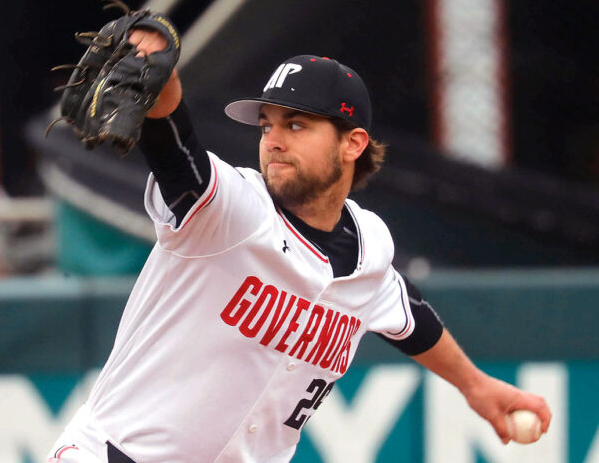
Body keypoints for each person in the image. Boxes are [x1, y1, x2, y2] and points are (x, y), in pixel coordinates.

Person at [48, 25, 551, 463]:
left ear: (352, 143)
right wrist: (161, 73)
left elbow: (407, 314)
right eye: (267, 124)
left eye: (296, 124)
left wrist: (476, 386)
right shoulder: (232, 210)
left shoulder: (370, 248)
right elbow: (175, 149)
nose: (273, 139)